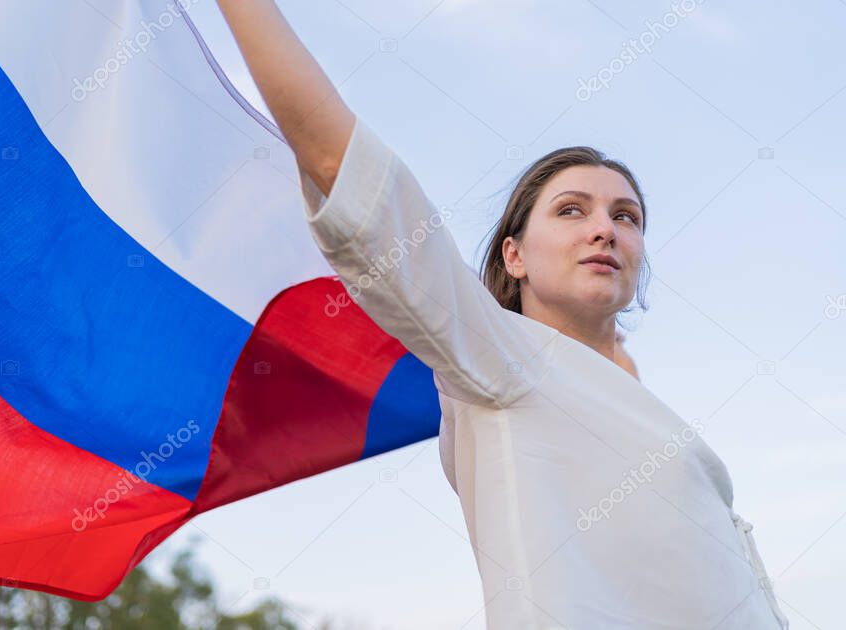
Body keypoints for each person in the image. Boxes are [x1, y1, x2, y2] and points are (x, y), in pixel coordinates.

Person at [216, 3, 790, 628]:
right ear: (513, 255)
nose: (606, 228)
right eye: (572, 210)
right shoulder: (500, 359)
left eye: (626, 217)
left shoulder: (622, 403)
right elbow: (344, 171)